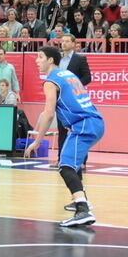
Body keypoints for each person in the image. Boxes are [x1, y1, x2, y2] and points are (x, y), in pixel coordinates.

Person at [24, 46, 105, 226]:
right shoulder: (68, 74)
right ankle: (81, 199)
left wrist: (37, 141)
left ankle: (83, 209)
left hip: (84, 124)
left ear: (50, 60)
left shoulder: (51, 81)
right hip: (95, 121)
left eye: (40, 57)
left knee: (65, 166)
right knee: (73, 164)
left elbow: (49, 114)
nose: (37, 61)